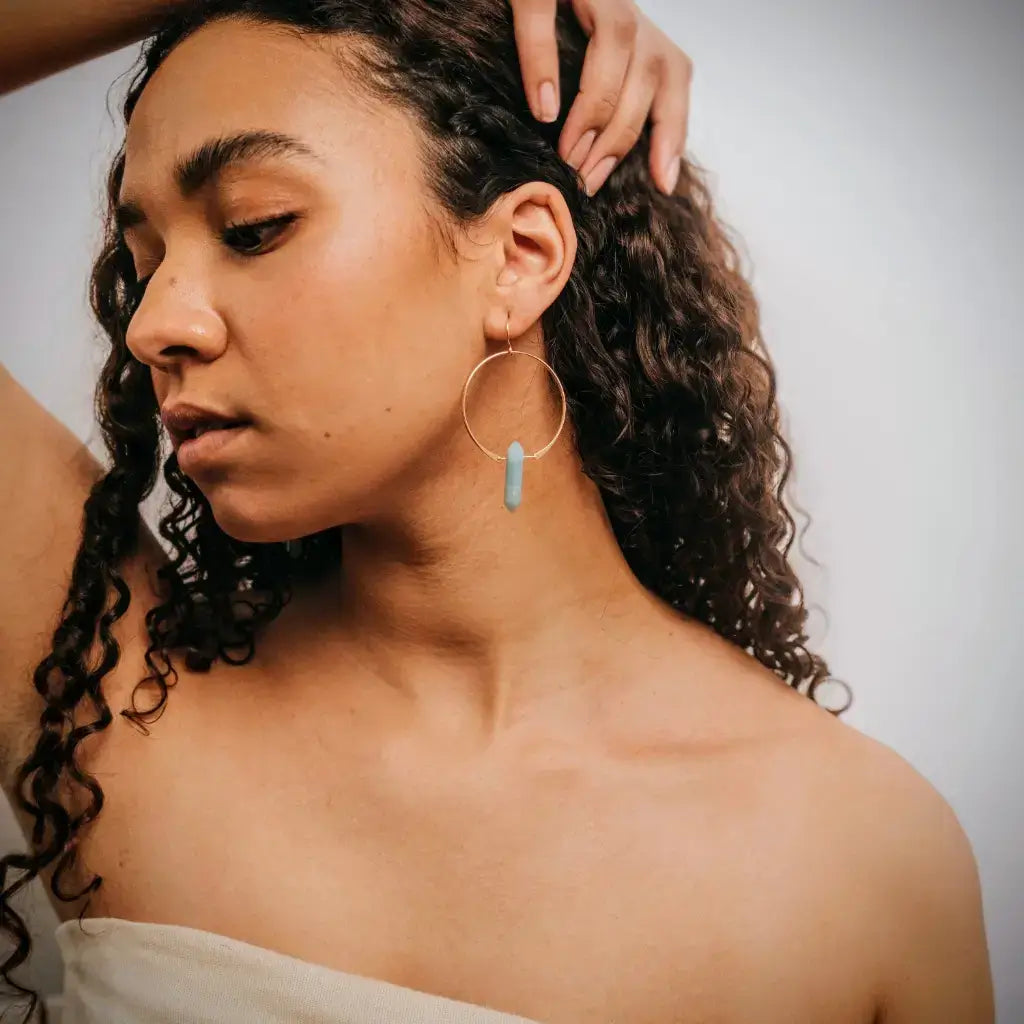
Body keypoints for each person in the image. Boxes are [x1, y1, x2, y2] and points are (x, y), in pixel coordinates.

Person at [0, 1, 994, 1023]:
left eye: (254, 228)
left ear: (520, 255)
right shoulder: (113, 701)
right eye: (143, 261)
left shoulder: (861, 865)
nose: (157, 321)